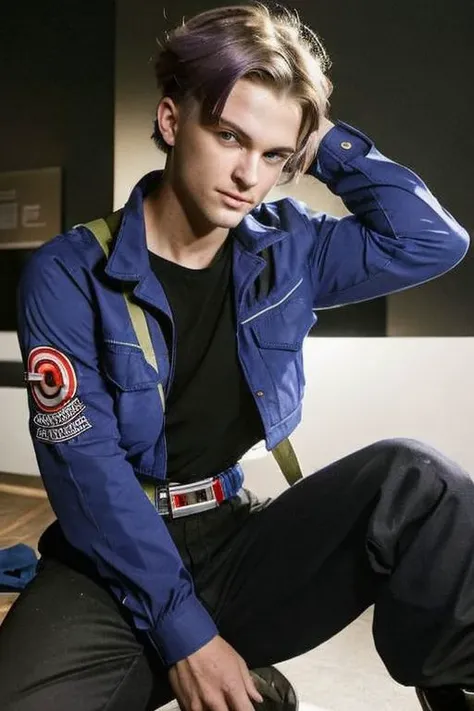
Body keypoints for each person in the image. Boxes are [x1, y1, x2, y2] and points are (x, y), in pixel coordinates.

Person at [0, 2, 472, 710]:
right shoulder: (68, 275)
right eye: (228, 136)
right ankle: (243, 671)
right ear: (170, 121)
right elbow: (89, 478)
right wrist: (188, 636)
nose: (250, 173)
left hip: (232, 531)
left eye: (274, 154)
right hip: (108, 553)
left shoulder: (293, 247)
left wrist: (322, 141)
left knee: (421, 480)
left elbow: (434, 241)